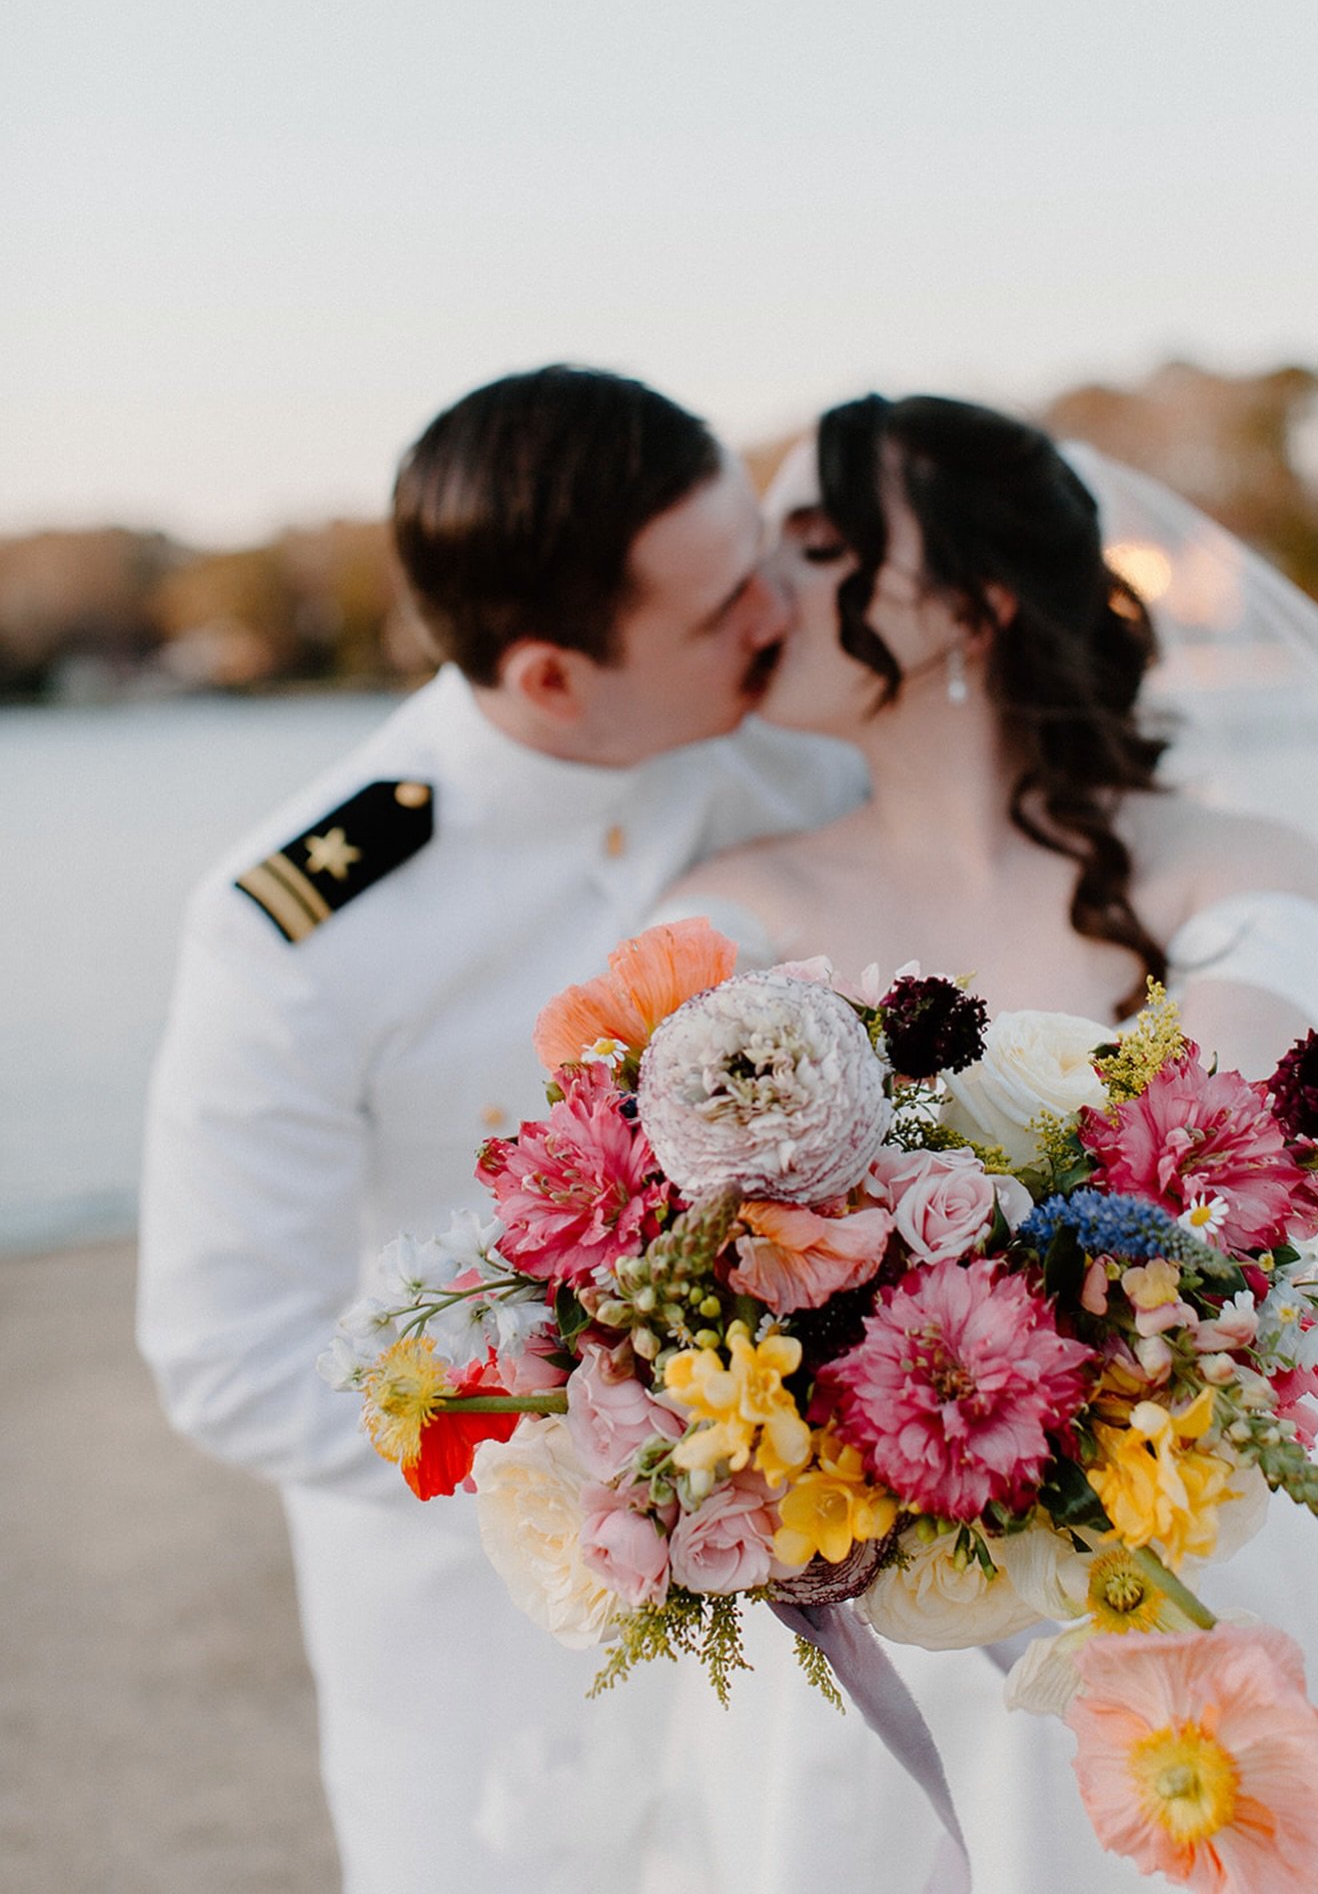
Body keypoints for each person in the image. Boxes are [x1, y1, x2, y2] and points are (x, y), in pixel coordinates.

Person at [656, 393, 1318, 1891]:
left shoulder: (1243, 869)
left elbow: (1217, 1183)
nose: (767, 592)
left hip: (1210, 1526)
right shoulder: (726, 905)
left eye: (819, 544)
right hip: (853, 1594)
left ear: (973, 604)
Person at [136, 364, 866, 1894]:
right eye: (721, 599)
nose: (779, 610)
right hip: (479, 1662)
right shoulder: (303, 928)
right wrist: (607, 1446)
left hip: (822, 1625)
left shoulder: (814, 774)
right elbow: (226, 1352)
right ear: (551, 677)